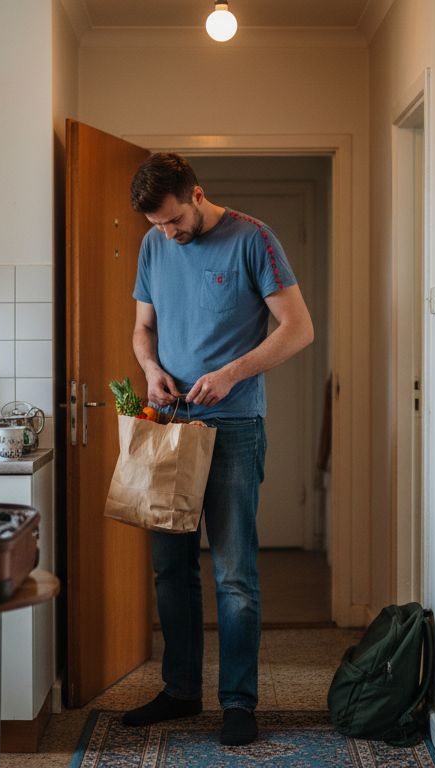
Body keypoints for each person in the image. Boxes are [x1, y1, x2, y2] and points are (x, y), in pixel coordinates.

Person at [122, 152, 314, 746]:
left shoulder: (254, 239)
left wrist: (231, 374)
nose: (168, 234)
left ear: (197, 194)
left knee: (234, 574)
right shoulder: (153, 245)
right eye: (158, 225)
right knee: (170, 571)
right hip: (169, 425)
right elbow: (143, 329)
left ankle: (238, 702)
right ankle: (181, 691)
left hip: (234, 428)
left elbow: (299, 329)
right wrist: (151, 369)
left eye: (175, 220)